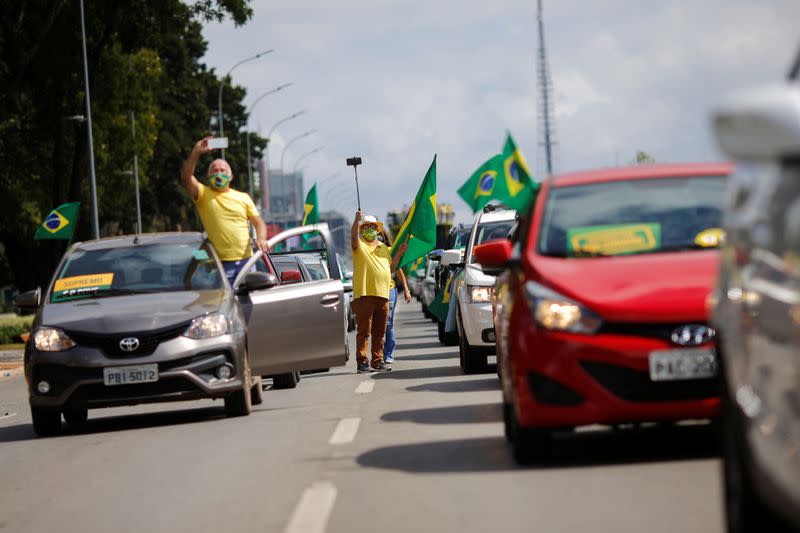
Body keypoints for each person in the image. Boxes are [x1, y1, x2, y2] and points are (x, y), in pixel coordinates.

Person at [181, 137, 268, 286]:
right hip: (219, 266)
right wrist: (197, 151)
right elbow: (186, 176)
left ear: (230, 176)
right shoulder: (203, 194)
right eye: (214, 171)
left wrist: (261, 237)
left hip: (247, 262)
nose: (218, 173)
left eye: (222, 170)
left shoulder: (243, 197)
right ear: (209, 176)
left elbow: (259, 222)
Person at [350, 210, 407, 373]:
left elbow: (391, 268)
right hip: (364, 294)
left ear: (377, 229)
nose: (369, 229)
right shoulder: (359, 246)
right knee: (364, 331)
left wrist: (399, 254)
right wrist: (356, 221)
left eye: (372, 226)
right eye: (365, 227)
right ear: (361, 230)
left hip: (383, 295)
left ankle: (377, 360)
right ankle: (362, 362)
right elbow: (353, 238)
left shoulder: (384, 247)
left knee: (379, 331)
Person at [378, 229, 411, 367]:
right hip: (375, 291)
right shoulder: (367, 250)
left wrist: (406, 290)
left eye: (379, 235)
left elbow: (398, 271)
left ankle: (388, 354)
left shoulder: (390, 250)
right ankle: (377, 355)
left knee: (388, 323)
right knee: (377, 325)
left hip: (389, 290)